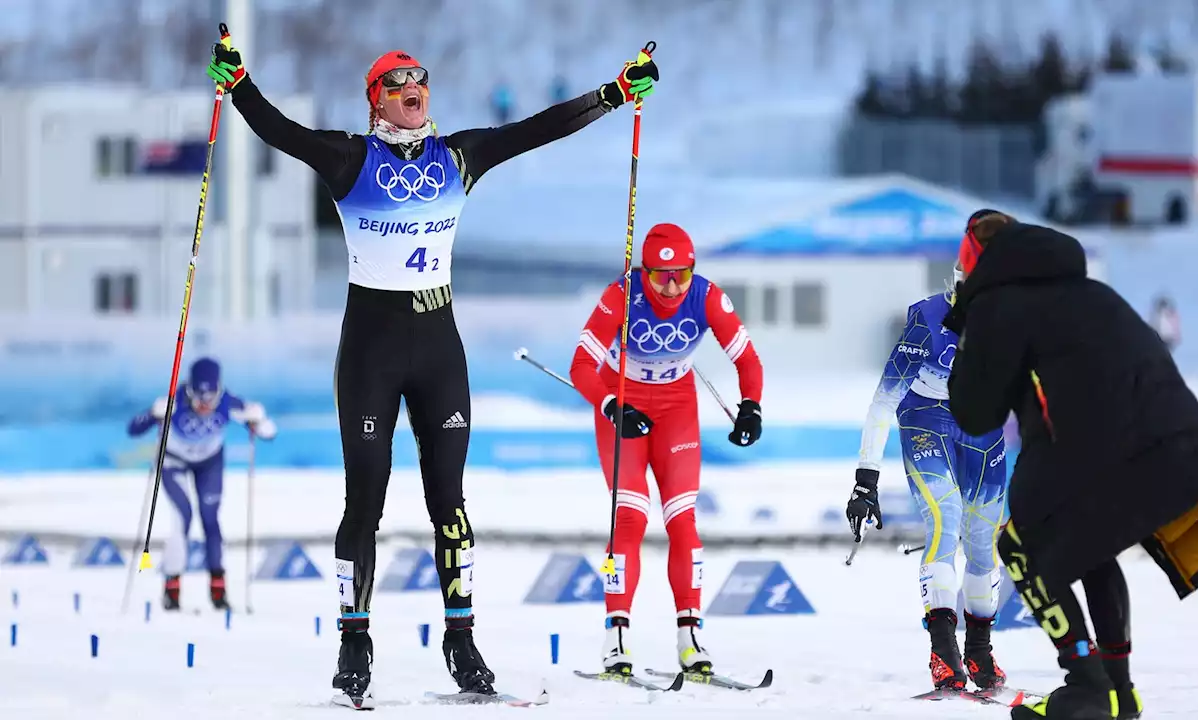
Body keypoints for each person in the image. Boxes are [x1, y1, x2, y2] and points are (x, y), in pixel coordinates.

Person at [206, 37, 659, 706]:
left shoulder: (459, 157)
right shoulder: (349, 157)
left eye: (419, 79)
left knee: (449, 500)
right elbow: (280, 131)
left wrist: (613, 94)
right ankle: (354, 644)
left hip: (439, 345)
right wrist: (239, 83)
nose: (413, 87)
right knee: (365, 503)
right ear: (376, 100)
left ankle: (461, 640)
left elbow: (537, 129)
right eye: (396, 81)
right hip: (371, 346)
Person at [942, 210, 1198, 720]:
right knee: (1088, 548)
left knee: (1018, 545)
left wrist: (965, 339)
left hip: (1097, 446)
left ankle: (1085, 684)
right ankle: (1118, 693)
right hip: (1173, 443)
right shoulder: (1091, 294)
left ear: (978, 265)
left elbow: (975, 413)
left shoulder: (1001, 304)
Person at [568, 223, 763, 676]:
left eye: (682, 275)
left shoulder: (707, 296)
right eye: (661, 277)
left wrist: (751, 406)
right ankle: (616, 637)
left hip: (677, 407)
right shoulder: (621, 294)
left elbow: (747, 359)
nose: (673, 287)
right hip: (624, 404)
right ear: (644, 271)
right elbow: (581, 364)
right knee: (631, 517)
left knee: (682, 519)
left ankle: (690, 636)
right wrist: (612, 404)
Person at [847, 264, 1009, 692]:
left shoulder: (1019, 326)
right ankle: (943, 650)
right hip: (926, 416)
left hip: (982, 427)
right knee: (946, 518)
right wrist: (866, 479)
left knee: (980, 542)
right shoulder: (928, 323)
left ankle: (979, 649)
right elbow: (883, 402)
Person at [126, 357, 276, 612]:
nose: (205, 406)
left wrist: (259, 421)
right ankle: (172, 591)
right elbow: (133, 429)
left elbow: (270, 433)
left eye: (211, 399)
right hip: (174, 462)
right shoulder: (175, 401)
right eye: (199, 400)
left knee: (210, 520)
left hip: (209, 463)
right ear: (190, 391)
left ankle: (218, 591)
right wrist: (153, 414)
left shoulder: (229, 402)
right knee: (182, 518)